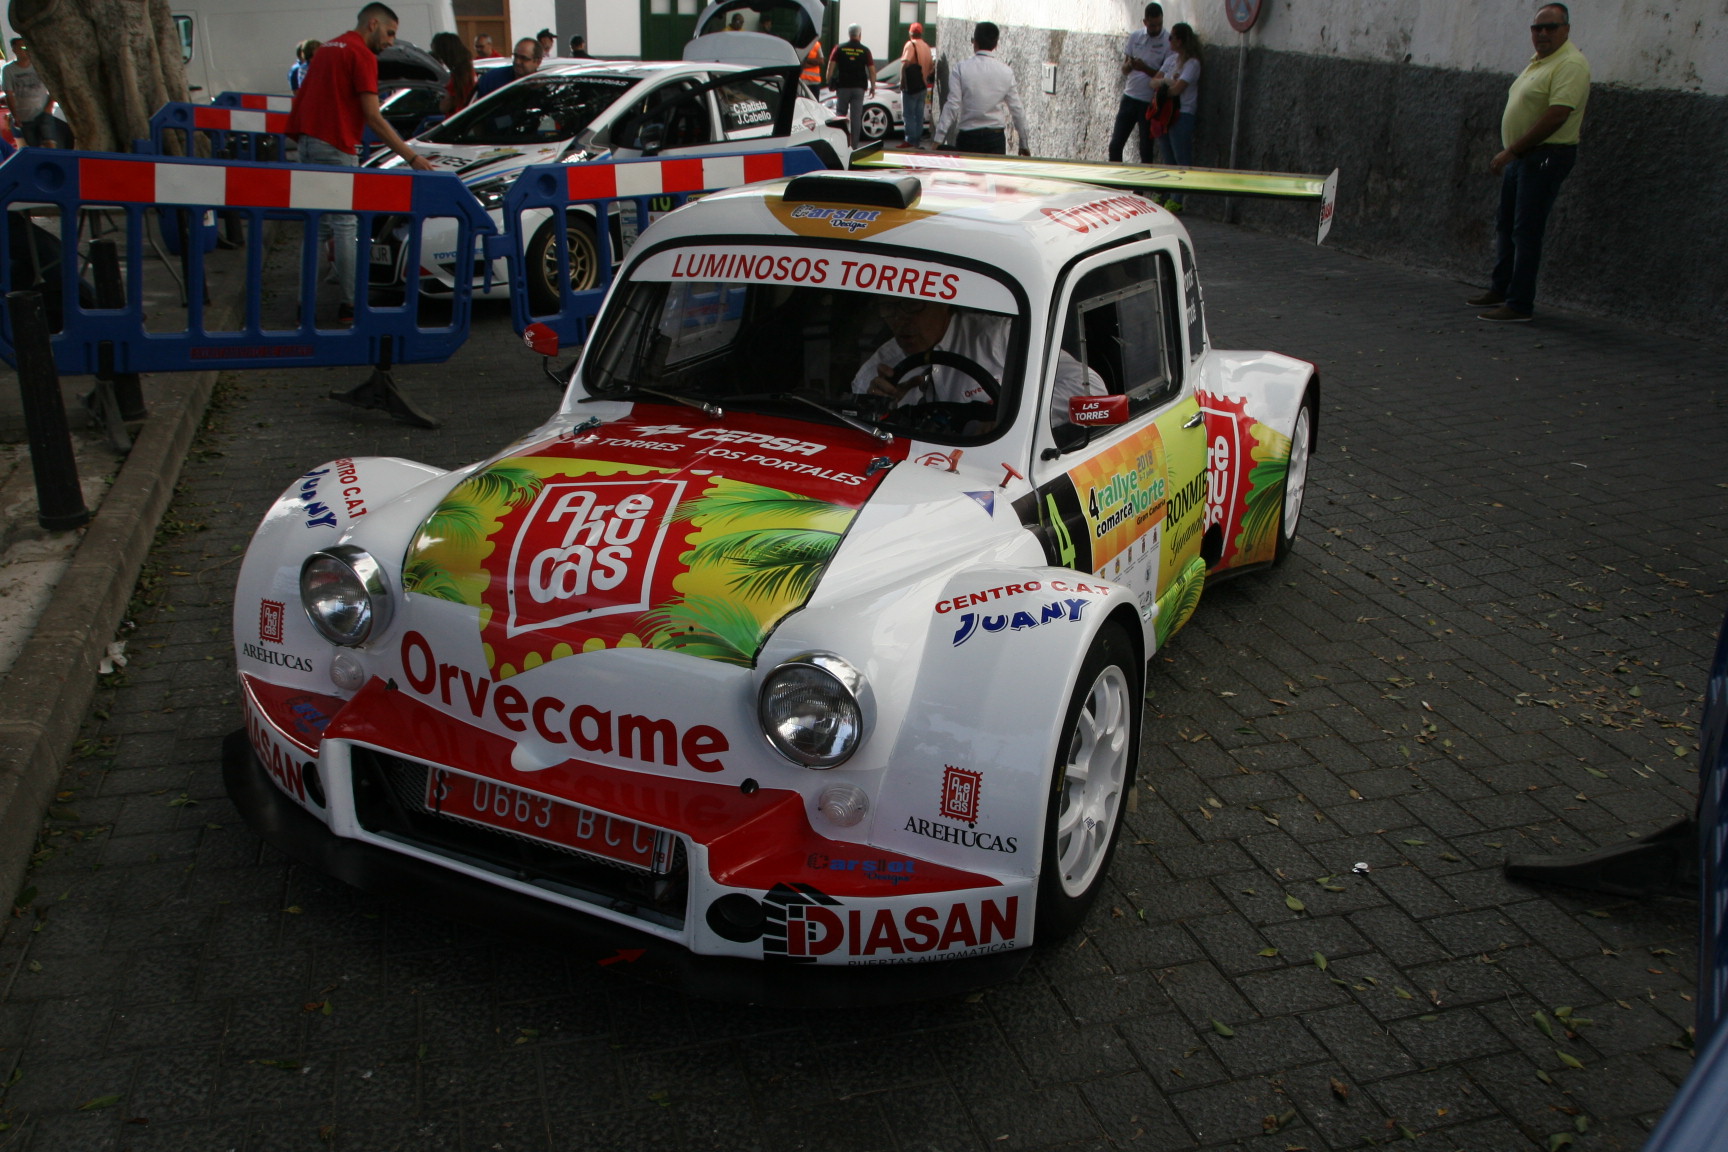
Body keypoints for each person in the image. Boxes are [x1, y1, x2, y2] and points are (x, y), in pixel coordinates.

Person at [285, 2, 434, 323]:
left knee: (316, 227)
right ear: (373, 24)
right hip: (336, 143)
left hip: (308, 143)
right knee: (345, 224)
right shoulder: (361, 55)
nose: (391, 42)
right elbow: (373, 117)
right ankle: (351, 305)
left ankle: (303, 306)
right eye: (390, 33)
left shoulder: (327, 49)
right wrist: (411, 156)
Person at [1471, 3, 1590, 323]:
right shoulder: (1539, 61)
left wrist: (1512, 150)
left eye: (1551, 27)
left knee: (1526, 230)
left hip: (1546, 155)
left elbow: (1557, 115)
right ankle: (1501, 288)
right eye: (1537, 28)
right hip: (1523, 156)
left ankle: (1520, 303)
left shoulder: (1570, 64)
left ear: (1566, 30)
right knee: (1507, 224)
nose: (1543, 33)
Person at [850, 297, 1102, 429]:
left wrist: (1009, 420)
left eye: (913, 306)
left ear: (943, 302)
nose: (900, 320)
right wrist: (880, 406)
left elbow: (1089, 388)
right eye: (889, 308)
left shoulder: (1000, 337)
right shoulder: (874, 373)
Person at [934, 22, 1030, 156]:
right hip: (995, 138)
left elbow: (952, 105)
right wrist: (1024, 142)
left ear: (975, 42)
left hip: (968, 137)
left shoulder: (961, 69)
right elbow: (1017, 109)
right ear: (996, 45)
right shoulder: (1006, 72)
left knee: (967, 170)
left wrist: (938, 138)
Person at [1149, 22, 1201, 209]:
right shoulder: (1171, 60)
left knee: (1181, 158)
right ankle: (1166, 193)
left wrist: (1164, 85)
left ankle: (1177, 199)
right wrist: (1167, 81)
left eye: (1171, 37)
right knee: (1168, 157)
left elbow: (1178, 89)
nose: (1168, 40)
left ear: (1180, 41)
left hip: (1182, 113)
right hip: (1165, 114)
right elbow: (1153, 82)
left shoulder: (1192, 64)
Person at [1108, 3, 1166, 164]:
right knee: (1115, 145)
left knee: (1146, 149)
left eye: (1160, 24)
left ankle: (1143, 181)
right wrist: (1130, 65)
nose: (1157, 29)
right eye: (1152, 25)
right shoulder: (1135, 37)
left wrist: (1145, 68)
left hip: (1149, 101)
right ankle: (1116, 177)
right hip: (1129, 97)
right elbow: (1124, 69)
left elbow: (1164, 77)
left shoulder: (1167, 41)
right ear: (1145, 22)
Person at [825, 25, 875, 147]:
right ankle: (854, 146)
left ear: (849, 34)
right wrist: (873, 86)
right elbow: (872, 71)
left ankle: (841, 144)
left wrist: (829, 81)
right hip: (859, 88)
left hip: (843, 86)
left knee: (840, 115)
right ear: (860, 35)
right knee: (856, 117)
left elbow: (830, 67)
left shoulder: (839, 48)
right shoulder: (865, 50)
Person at [2, 40, 53, 147]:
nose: (25, 50)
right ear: (14, 50)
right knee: (33, 146)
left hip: (43, 112)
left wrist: (49, 107)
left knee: (50, 142)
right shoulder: (8, 70)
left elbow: (54, 87)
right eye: (21, 47)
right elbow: (9, 95)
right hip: (24, 116)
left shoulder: (39, 66)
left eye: (27, 47)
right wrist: (15, 116)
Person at [899, 23, 933, 148]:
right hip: (923, 86)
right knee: (919, 116)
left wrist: (902, 82)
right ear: (921, 33)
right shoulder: (926, 47)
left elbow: (905, 64)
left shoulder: (910, 44)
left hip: (911, 86)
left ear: (910, 33)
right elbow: (931, 67)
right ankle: (916, 142)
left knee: (908, 115)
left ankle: (910, 141)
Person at [474, 37, 542, 101]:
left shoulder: (544, 85)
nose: (517, 62)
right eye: (515, 56)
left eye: (523, 58)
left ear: (538, 62)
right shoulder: (491, 79)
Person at [430, 31, 475, 114]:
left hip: (456, 118)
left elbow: (444, 107)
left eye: (437, 53)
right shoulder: (467, 70)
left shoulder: (456, 77)